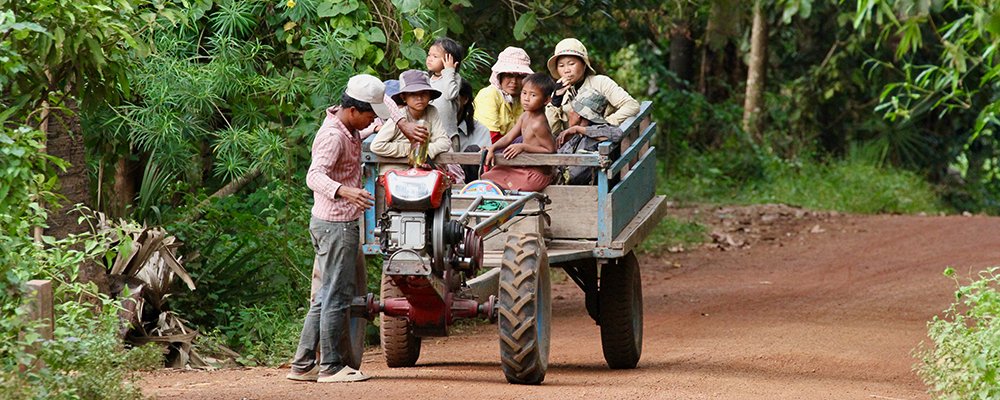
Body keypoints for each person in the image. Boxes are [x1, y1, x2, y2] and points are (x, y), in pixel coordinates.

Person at [287, 74, 388, 384]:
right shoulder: (333, 136)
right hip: (336, 225)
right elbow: (314, 176)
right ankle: (331, 366)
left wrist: (374, 129)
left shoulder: (349, 128)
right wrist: (346, 191)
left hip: (331, 223)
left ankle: (303, 364)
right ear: (353, 109)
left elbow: (374, 122)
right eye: (370, 115)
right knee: (337, 296)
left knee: (324, 296)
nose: (372, 119)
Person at [545, 38, 640, 134]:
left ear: (584, 65)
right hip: (573, 146)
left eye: (571, 64)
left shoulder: (601, 82)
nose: (566, 70)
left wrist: (605, 125)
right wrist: (556, 101)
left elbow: (632, 105)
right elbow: (552, 132)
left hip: (605, 145)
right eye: (561, 66)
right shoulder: (558, 93)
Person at [482, 73, 558, 192]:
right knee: (487, 177)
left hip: (535, 173)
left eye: (533, 95)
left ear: (546, 100)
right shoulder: (524, 116)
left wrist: (523, 147)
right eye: (524, 93)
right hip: (522, 166)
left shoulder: (539, 123)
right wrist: (492, 148)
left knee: (500, 183)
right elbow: (508, 138)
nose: (526, 98)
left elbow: (550, 150)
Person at [371, 70, 451, 172]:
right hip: (395, 172)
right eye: (413, 94)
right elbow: (377, 146)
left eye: (424, 93)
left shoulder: (431, 111)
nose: (419, 98)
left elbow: (444, 142)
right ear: (404, 97)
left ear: (430, 95)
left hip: (423, 170)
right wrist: (410, 149)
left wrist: (422, 152)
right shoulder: (399, 116)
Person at [555, 88, 625, 185]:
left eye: (572, 110)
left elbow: (617, 134)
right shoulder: (577, 136)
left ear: (579, 115)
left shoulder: (592, 132)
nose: (569, 113)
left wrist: (577, 129)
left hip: (577, 187)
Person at [473, 47, 534, 144]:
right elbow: (490, 137)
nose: (514, 81)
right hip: (487, 149)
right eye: (509, 75)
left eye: (519, 77)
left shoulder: (521, 98)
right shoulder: (489, 94)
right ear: (500, 76)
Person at [426, 37, 465, 139]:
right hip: (430, 134)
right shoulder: (427, 79)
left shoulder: (454, 77)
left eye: (435, 56)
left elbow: (450, 94)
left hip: (449, 134)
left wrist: (449, 70)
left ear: (450, 60)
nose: (430, 59)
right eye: (429, 55)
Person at [453, 80, 491, 181]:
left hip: (468, 186)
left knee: (474, 150)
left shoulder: (480, 131)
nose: (446, 104)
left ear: (465, 99)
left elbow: (485, 168)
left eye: (452, 98)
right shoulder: (431, 125)